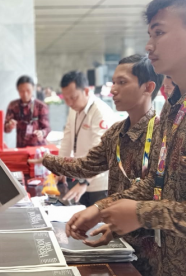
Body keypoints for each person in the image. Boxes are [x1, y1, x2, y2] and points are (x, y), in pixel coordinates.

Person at [66, 0, 186, 275]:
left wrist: (142, 213)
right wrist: (103, 209)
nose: (149, 45)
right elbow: (159, 182)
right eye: (149, 34)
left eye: (158, 32)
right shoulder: (174, 105)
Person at [36, 55, 163, 275]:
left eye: (122, 82)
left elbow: (151, 187)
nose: (113, 89)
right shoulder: (115, 132)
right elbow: (87, 165)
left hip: (154, 251)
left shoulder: (163, 134)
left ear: (148, 87)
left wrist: (99, 209)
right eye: (113, 82)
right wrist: (47, 160)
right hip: (119, 242)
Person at [55, 71, 116, 207]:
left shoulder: (100, 112)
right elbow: (67, 140)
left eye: (73, 97)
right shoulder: (74, 109)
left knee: (99, 225)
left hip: (100, 184)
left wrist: (85, 182)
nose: (70, 103)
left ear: (86, 91)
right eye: (66, 98)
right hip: (81, 179)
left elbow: (100, 152)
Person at [4, 75, 51, 148]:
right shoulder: (13, 105)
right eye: (21, 91)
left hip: (38, 147)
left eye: (28, 90)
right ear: (17, 90)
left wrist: (42, 132)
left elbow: (47, 128)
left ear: (33, 88)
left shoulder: (41, 106)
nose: (25, 94)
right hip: (21, 146)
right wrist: (9, 126)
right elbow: (5, 128)